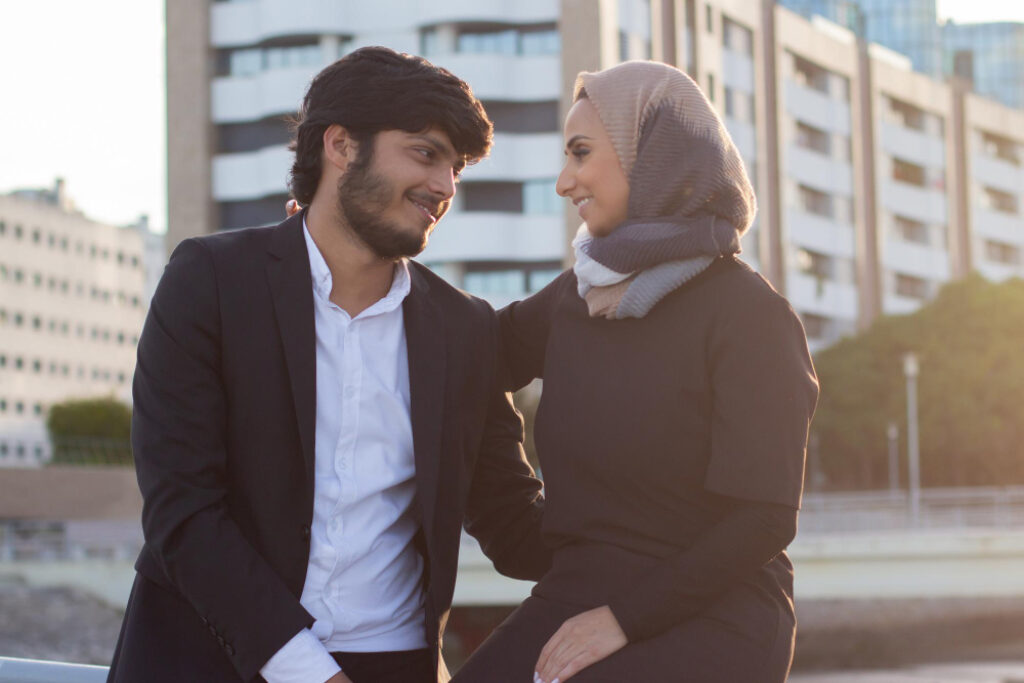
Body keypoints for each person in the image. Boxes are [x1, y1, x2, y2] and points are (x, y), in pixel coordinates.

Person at [107, 47, 551, 683]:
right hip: (210, 658)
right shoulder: (209, 280)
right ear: (341, 145)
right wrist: (309, 670)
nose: (445, 187)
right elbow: (183, 509)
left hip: (393, 665)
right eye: (426, 153)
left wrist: (667, 546)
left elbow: (512, 523)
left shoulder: (464, 327)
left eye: (455, 168)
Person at [451, 61, 819, 683]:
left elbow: (764, 518)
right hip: (577, 596)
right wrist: (515, 520)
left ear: (654, 155)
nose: (565, 182)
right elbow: (464, 356)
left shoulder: (750, 314)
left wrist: (623, 618)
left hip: (712, 611)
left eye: (582, 153)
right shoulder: (573, 298)